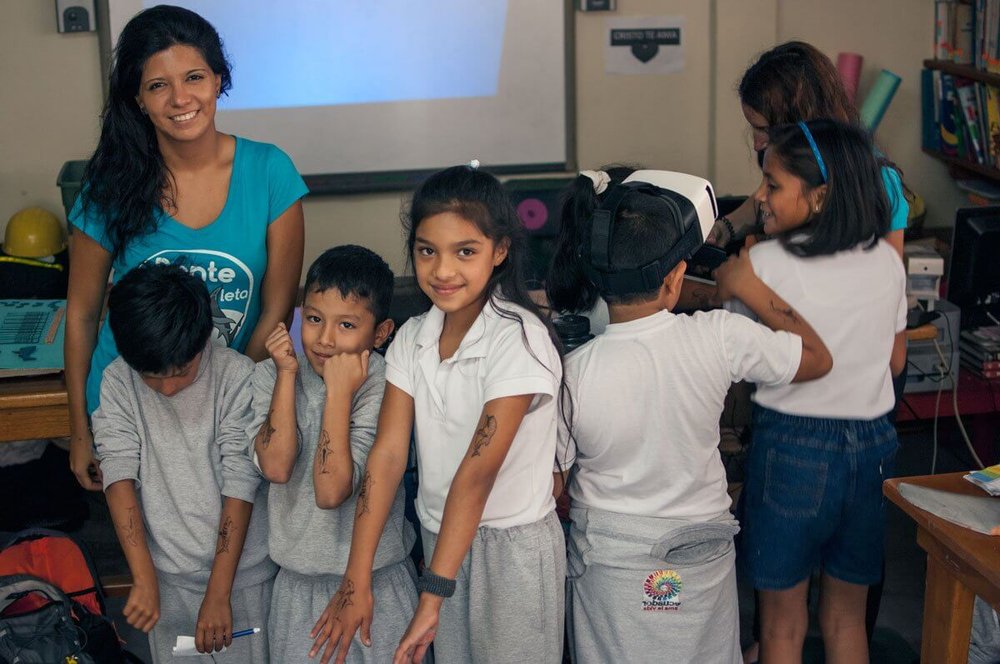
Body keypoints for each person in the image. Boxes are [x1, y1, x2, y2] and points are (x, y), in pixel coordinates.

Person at [547, 168, 831, 664]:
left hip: (613, 565)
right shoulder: (717, 337)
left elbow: (555, 485)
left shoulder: (571, 374)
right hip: (696, 558)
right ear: (676, 278)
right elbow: (816, 357)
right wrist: (750, 286)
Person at [309, 165, 566, 664]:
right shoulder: (412, 338)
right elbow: (385, 458)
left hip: (509, 551)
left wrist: (433, 594)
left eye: (465, 251)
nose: (443, 270)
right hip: (439, 540)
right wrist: (355, 579)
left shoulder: (518, 338)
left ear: (501, 251)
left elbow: (477, 474)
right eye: (428, 251)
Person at [66, 4, 307, 493]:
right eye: (158, 85)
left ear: (219, 79)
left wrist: (231, 404)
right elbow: (82, 314)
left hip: (232, 410)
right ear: (137, 98)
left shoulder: (269, 171)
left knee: (239, 560)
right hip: (131, 410)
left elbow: (277, 307)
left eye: (194, 76)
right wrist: (78, 430)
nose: (180, 98)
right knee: (151, 562)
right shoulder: (110, 185)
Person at [728, 119, 907, 664]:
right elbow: (893, 354)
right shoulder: (886, 260)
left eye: (774, 185)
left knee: (781, 623)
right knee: (848, 615)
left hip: (792, 448)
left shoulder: (763, 265)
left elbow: (742, 357)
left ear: (821, 194)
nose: (760, 196)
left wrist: (739, 280)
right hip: (873, 449)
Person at [93, 263, 274, 662]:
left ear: (203, 340)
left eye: (181, 372)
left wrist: (218, 592)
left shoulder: (237, 376)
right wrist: (143, 577)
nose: (168, 388)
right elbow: (118, 472)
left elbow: (240, 481)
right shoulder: (119, 381)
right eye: (152, 378)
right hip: (165, 578)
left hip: (242, 581)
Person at [250, 245, 419, 662]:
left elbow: (331, 491)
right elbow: (275, 465)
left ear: (380, 334)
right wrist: (287, 376)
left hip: (375, 584)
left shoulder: (387, 386)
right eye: (312, 319)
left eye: (346, 324)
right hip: (296, 586)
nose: (324, 339)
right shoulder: (270, 374)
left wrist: (339, 394)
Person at [709, 41, 907, 259]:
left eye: (763, 129)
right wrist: (725, 227)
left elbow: (889, 276)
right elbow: (764, 202)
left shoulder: (879, 182)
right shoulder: (797, 165)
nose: (756, 144)